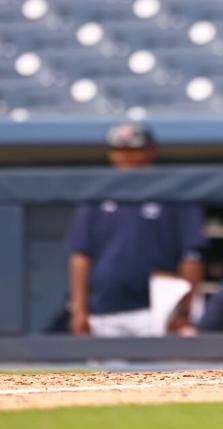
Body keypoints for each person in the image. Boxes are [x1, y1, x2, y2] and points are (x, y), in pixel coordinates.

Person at [65, 121, 207, 336]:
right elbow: (81, 256)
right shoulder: (95, 195)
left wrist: (183, 310)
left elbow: (191, 257)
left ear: (150, 152)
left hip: (157, 309)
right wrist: (79, 308)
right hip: (103, 308)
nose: (127, 157)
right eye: (121, 150)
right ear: (111, 154)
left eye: (134, 150)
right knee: (104, 371)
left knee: (160, 371)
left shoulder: (175, 193)